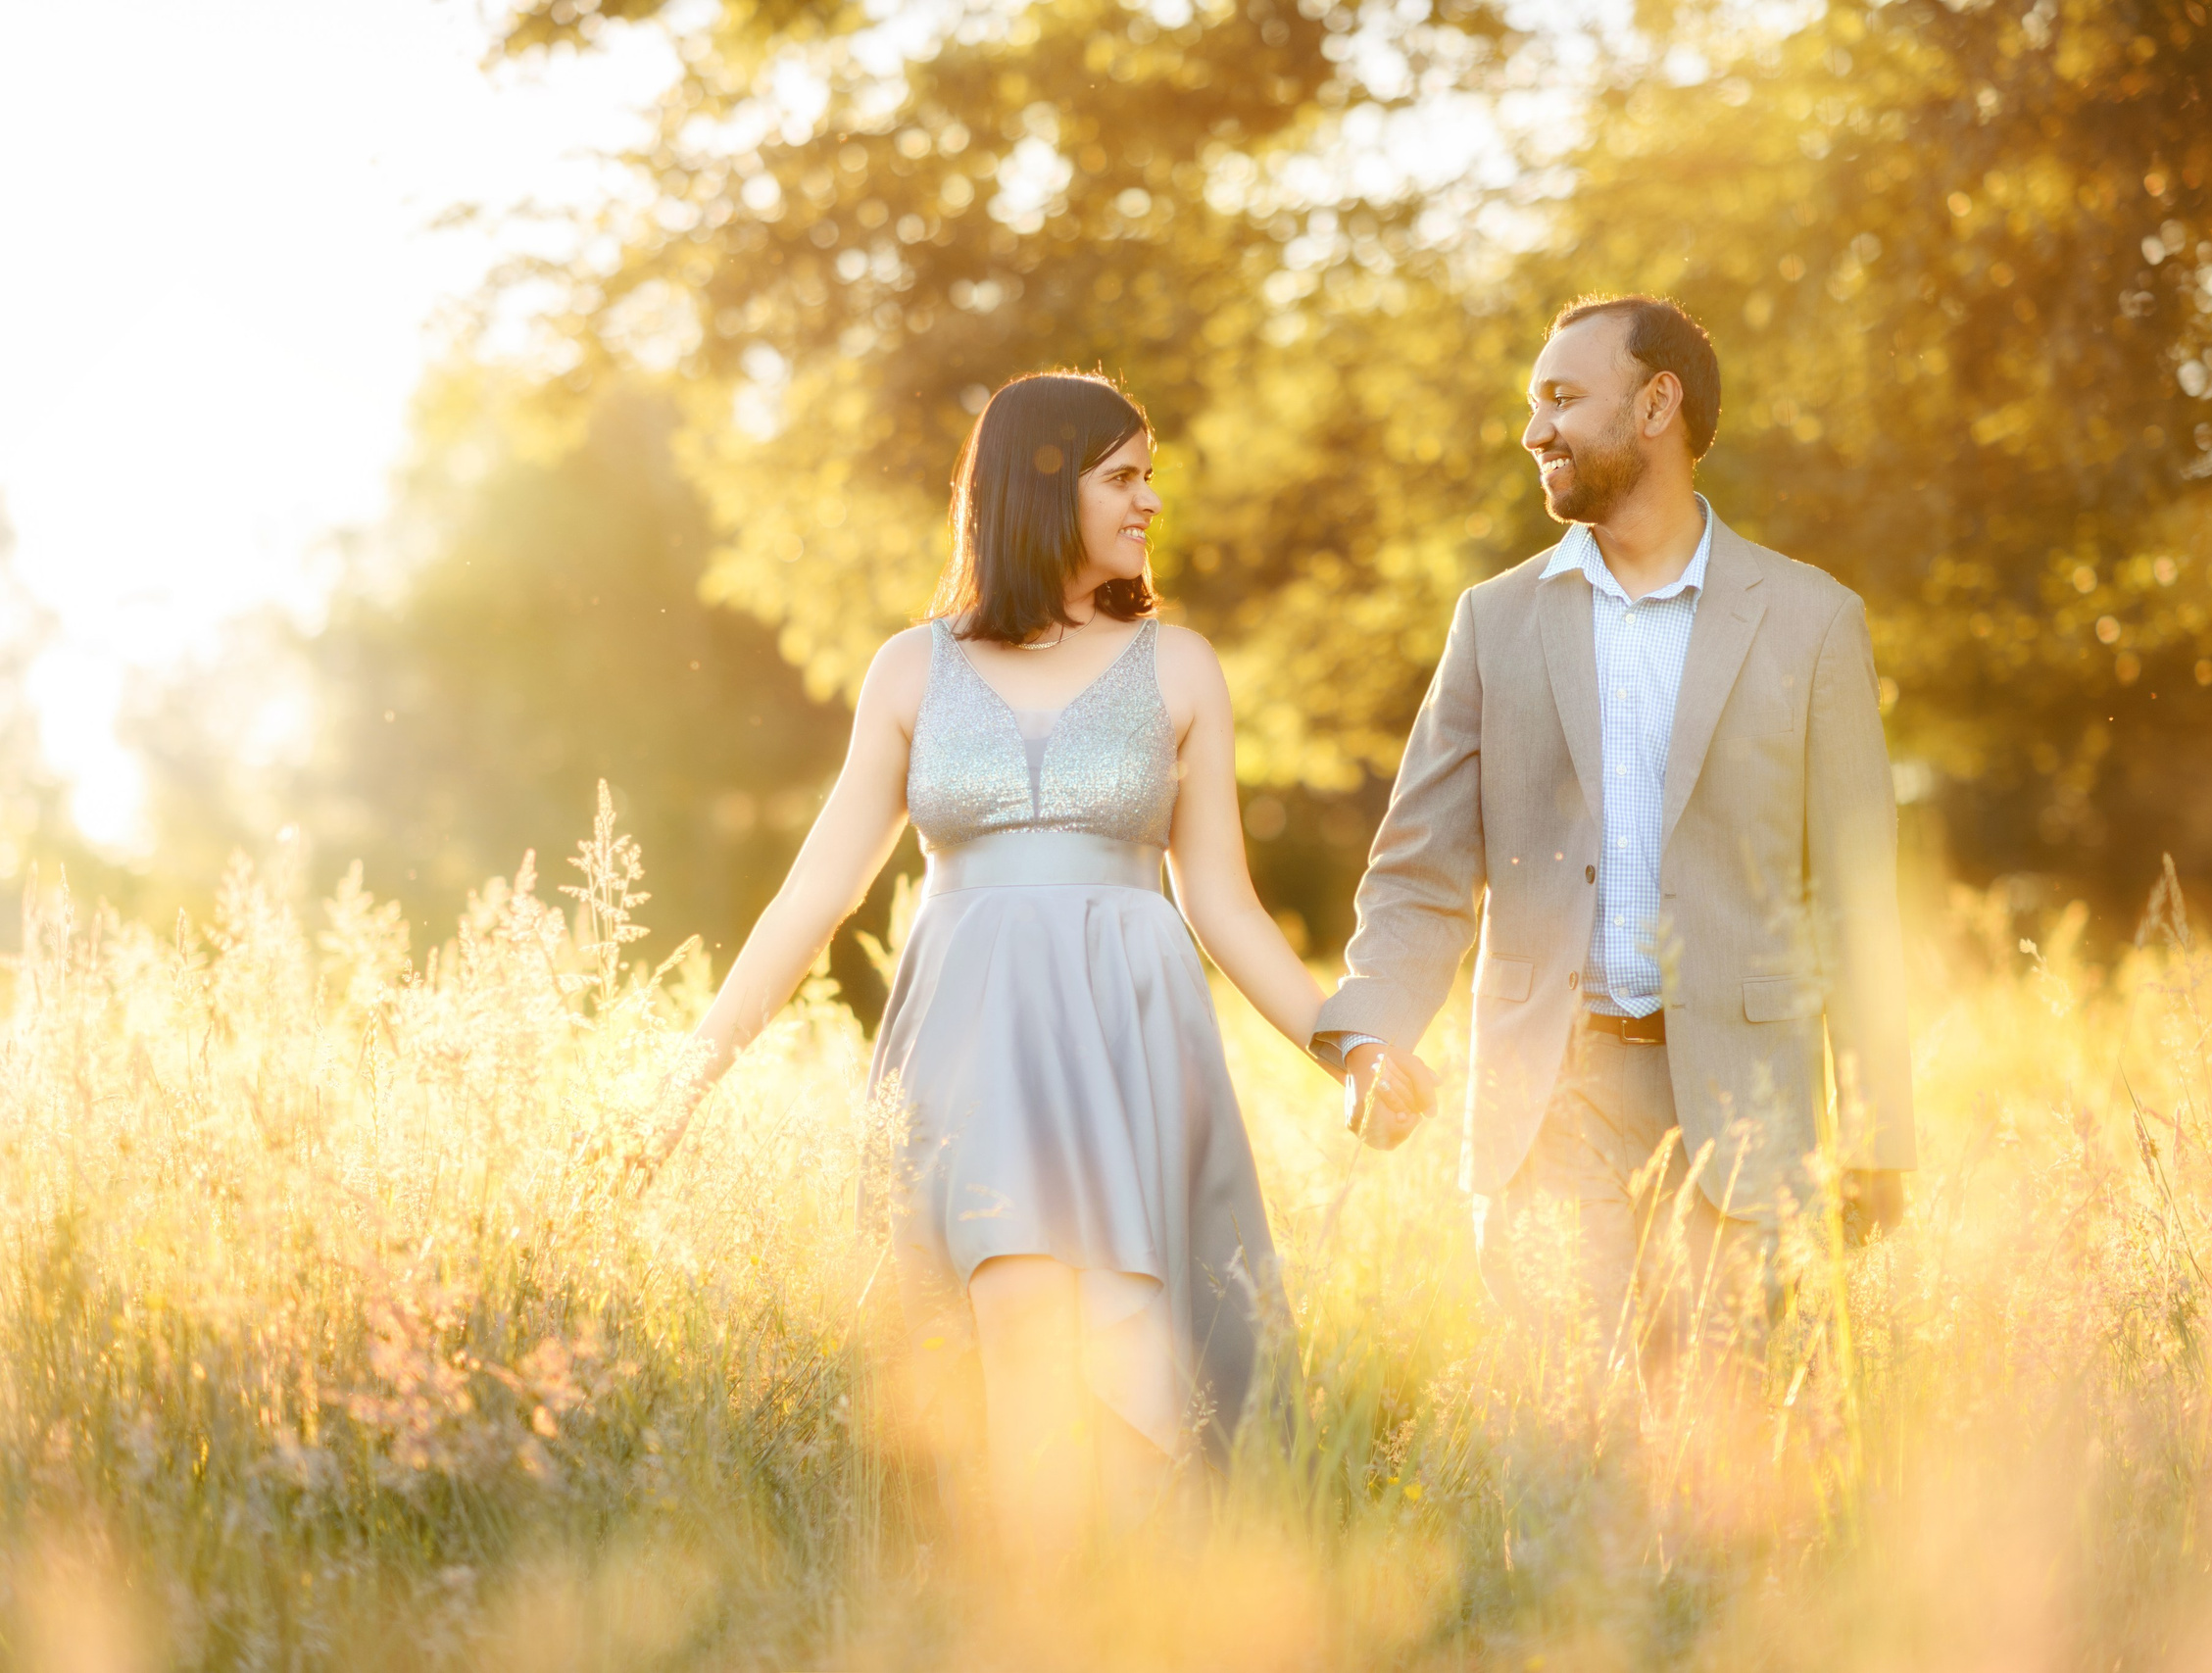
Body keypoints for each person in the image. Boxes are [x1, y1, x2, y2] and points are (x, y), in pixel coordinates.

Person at [652, 371, 1432, 1558]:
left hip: (1127, 1037)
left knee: (1126, 1370)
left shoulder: (1179, 670)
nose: (1151, 501)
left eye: (1147, 473)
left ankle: (1116, 1609)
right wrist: (680, 1080)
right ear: (1040, 482)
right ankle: (1027, 1602)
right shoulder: (909, 671)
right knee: (1011, 1315)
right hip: (967, 1037)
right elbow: (819, 889)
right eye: (1123, 475)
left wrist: (1349, 1045)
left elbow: (1220, 900)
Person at [1312, 295, 1915, 1381]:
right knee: (1570, 1447)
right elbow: (1422, 870)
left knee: (1726, 1459)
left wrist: (1876, 1137)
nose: (1533, 431)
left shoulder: (1811, 620)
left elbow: (1859, 903)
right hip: (1553, 1097)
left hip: (1745, 1110)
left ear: (1655, 404)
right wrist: (1369, 1032)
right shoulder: (1493, 623)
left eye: (1560, 398)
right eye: (1531, 405)